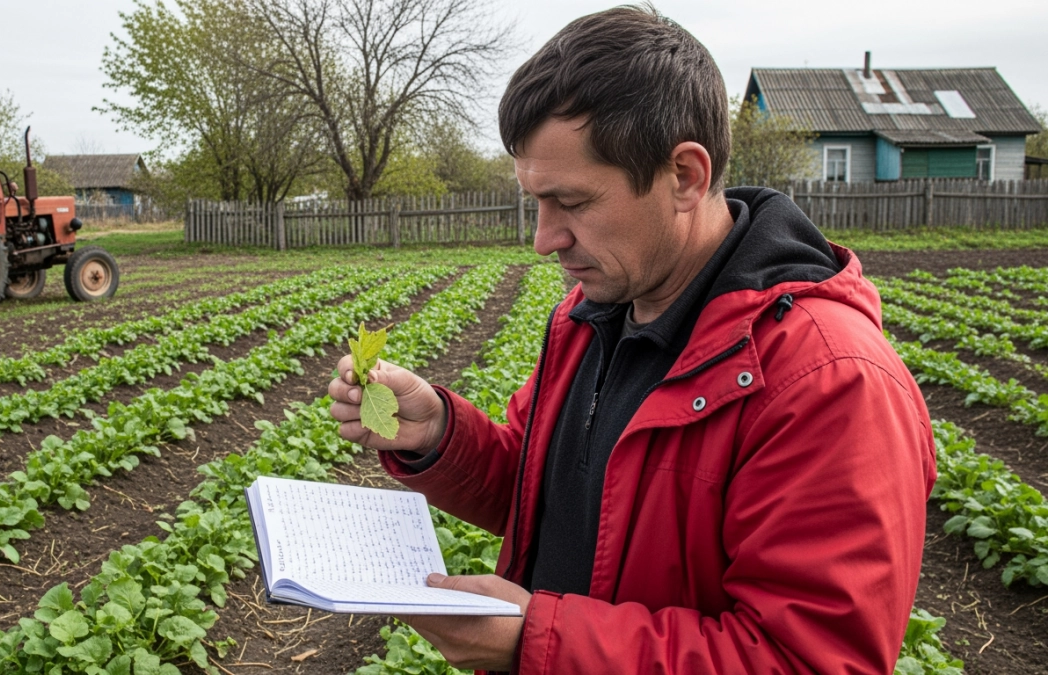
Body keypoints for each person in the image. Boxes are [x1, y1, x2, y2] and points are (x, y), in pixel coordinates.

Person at [328, 5, 936, 673]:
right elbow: (546, 497)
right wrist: (440, 433)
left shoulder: (828, 380)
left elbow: (807, 659)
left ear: (684, 177)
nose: (544, 238)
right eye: (536, 200)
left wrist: (538, 642)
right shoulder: (589, 319)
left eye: (575, 203)